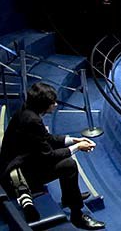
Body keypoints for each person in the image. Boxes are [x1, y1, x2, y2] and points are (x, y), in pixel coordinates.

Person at [0, 83, 104, 229]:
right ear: (43, 105)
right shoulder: (32, 121)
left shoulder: (27, 111)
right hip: (18, 175)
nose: (55, 105)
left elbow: (46, 138)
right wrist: (77, 147)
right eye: (52, 103)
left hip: (22, 164)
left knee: (67, 163)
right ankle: (77, 215)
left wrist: (73, 140)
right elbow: (48, 156)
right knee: (69, 165)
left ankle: (71, 197)